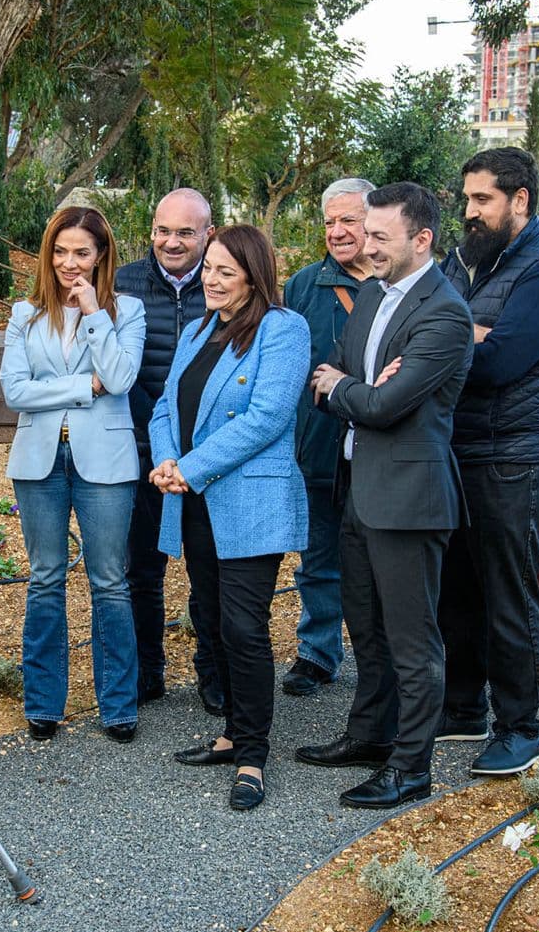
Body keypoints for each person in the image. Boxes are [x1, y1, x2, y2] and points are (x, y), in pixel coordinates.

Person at [295, 183, 474, 808]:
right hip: (358, 488)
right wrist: (356, 388)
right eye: (364, 233)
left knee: (411, 639)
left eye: (379, 237)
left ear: (421, 240)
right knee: (365, 629)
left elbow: (383, 403)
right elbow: (334, 375)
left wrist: (354, 389)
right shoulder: (372, 294)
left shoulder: (445, 313)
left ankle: (411, 767)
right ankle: (369, 736)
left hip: (408, 498)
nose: (365, 246)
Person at [437, 146, 539, 777]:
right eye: (466, 199)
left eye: (482, 200)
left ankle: (522, 728)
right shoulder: (467, 261)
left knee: (509, 593)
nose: (469, 212)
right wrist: (463, 332)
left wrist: (453, 335)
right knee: (459, 590)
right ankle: (463, 707)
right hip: (461, 449)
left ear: (520, 200)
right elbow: (428, 328)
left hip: (518, 457)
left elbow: (498, 363)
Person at [151, 225, 311, 811]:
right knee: (211, 617)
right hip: (192, 499)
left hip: (247, 502)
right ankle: (229, 735)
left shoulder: (283, 329)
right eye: (209, 269)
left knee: (244, 626)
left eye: (226, 270)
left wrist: (190, 466)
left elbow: (267, 417)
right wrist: (169, 459)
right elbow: (166, 403)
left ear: (254, 273)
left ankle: (253, 755)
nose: (212, 280)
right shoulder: (197, 330)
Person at [0, 207, 147, 743]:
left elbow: (121, 376)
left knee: (110, 582)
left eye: (81, 252)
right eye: (60, 251)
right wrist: (85, 388)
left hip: (105, 462)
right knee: (45, 580)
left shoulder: (124, 311)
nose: (69, 262)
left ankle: (118, 706)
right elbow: (15, 391)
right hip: (39, 461)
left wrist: (93, 313)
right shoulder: (25, 314)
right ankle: (43, 703)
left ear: (102, 254)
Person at [113, 188, 219, 711]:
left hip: (206, 456)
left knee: (210, 571)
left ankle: (213, 676)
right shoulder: (123, 281)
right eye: (162, 230)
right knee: (141, 570)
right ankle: (146, 672)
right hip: (138, 449)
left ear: (208, 234)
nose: (170, 242)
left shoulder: (226, 283)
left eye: (184, 232)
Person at [282, 177, 376, 697]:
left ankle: (381, 661)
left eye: (349, 221)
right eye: (329, 222)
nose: (337, 232)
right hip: (319, 446)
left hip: (384, 450)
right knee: (318, 560)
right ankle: (318, 653)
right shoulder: (303, 286)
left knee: (383, 562)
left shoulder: (399, 282)